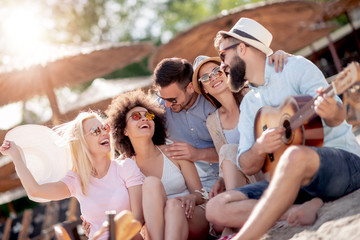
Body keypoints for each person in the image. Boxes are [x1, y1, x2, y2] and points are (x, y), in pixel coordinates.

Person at [206, 17, 360, 240]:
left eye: (223, 55)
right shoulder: (249, 103)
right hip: (293, 184)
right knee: (216, 207)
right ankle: (295, 211)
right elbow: (246, 165)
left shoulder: (294, 67)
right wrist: (259, 148)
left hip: (343, 165)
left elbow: (337, 117)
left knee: (294, 155)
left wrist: (328, 109)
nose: (222, 65)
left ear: (242, 48)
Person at [153, 55, 289, 194]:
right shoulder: (212, 120)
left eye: (172, 99)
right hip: (217, 180)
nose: (167, 105)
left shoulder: (250, 96)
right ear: (204, 87)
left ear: (190, 88)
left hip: (273, 163)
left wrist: (279, 57)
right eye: (205, 78)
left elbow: (278, 87)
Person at [0, 112, 144, 240]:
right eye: (95, 130)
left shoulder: (125, 167)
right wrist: (16, 156)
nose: (104, 133)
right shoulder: (76, 180)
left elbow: (138, 219)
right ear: (82, 142)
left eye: (105, 128)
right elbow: (35, 191)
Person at [106, 89, 209, 240]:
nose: (144, 119)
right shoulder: (122, 167)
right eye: (136, 116)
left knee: (173, 206)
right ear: (124, 130)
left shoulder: (174, 150)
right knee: (150, 184)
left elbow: (202, 195)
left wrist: (192, 198)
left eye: (148, 115)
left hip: (191, 217)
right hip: (157, 230)